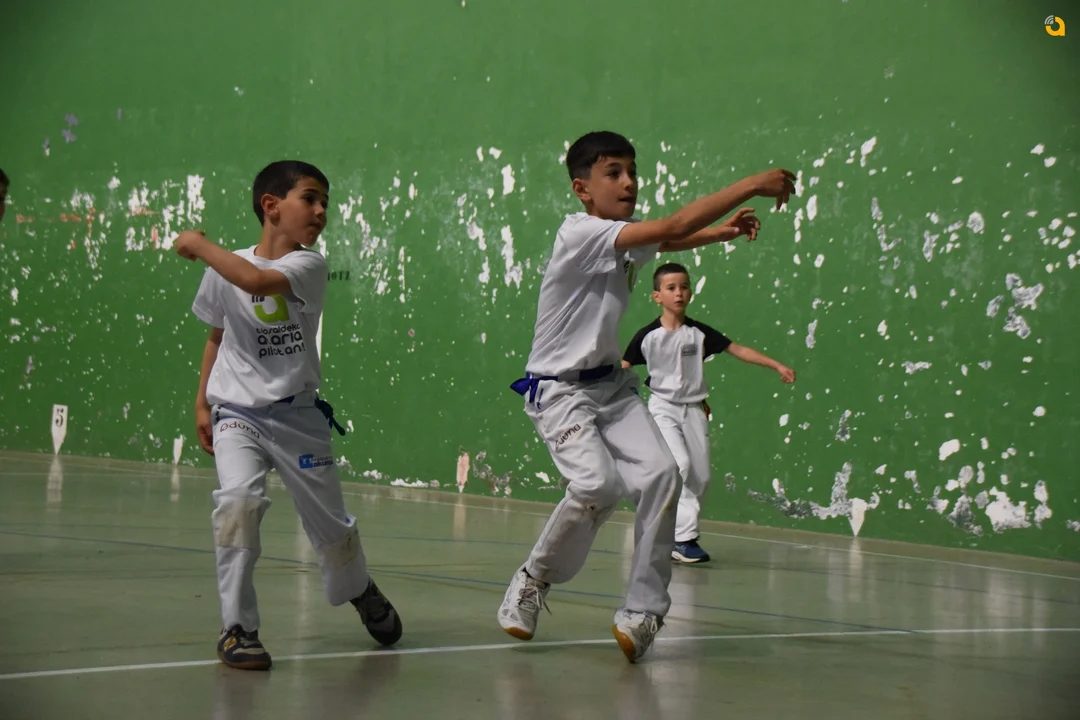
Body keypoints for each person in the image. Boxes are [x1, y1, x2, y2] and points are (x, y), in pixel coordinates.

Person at [499, 130, 795, 662]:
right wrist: (751, 184)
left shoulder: (619, 236)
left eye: (632, 172)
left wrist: (721, 233)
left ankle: (643, 610)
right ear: (581, 188)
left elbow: (667, 242)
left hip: (610, 387)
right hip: (559, 390)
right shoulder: (580, 233)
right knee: (598, 485)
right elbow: (673, 227)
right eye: (613, 173)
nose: (629, 182)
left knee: (662, 475)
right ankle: (533, 578)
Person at [175, 160, 402, 671]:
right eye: (310, 198)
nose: (321, 211)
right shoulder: (224, 267)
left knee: (331, 528)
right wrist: (202, 402)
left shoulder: (309, 265)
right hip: (237, 414)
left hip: (299, 418)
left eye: (325, 203)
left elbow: (254, 279)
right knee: (237, 504)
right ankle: (237, 628)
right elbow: (216, 335)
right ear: (271, 206)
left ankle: (358, 588)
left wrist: (196, 244)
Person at [623, 262, 796, 564]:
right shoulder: (647, 336)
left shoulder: (698, 333)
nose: (679, 293)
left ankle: (684, 539)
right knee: (680, 465)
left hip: (695, 410)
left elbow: (737, 349)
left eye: (684, 287)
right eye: (671, 288)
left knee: (700, 477)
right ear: (657, 296)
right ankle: (666, 533)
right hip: (662, 408)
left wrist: (776, 365)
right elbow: (623, 367)